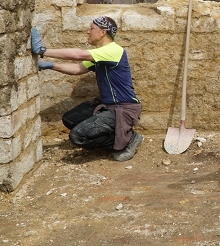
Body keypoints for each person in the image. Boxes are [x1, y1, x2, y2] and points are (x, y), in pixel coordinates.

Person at [30, 17, 143, 162]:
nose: (87, 32)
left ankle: (129, 140)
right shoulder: (101, 53)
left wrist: (42, 50)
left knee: (77, 137)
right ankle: (118, 136)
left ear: (103, 32)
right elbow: (78, 68)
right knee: (70, 120)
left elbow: (78, 55)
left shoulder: (113, 50)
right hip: (107, 106)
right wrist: (50, 65)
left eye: (91, 28)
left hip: (123, 109)